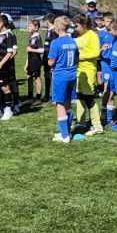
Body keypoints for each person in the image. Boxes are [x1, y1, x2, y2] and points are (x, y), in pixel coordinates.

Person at [46, 15, 82, 143]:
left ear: (57, 28)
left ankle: (65, 135)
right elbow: (77, 58)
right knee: (67, 103)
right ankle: (67, 131)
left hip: (60, 76)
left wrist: (52, 63)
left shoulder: (56, 42)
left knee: (60, 104)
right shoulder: (73, 41)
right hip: (72, 75)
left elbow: (51, 62)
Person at [73, 16, 103, 135]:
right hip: (79, 71)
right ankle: (81, 121)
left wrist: (79, 57)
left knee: (89, 98)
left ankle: (97, 126)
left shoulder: (92, 35)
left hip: (89, 71)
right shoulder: (78, 36)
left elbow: (96, 53)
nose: (75, 28)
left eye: (77, 25)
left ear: (84, 25)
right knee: (80, 96)